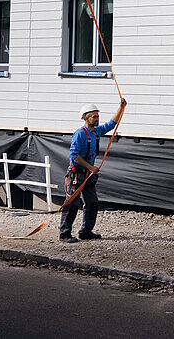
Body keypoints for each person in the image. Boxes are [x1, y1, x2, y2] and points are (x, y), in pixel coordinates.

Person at [60, 99, 125, 243]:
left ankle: (86, 231)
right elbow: (74, 156)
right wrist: (91, 167)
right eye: (94, 116)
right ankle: (64, 233)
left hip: (88, 175)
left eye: (97, 116)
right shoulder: (80, 134)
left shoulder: (96, 132)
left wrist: (121, 107)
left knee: (92, 203)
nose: (97, 119)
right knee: (72, 204)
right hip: (77, 174)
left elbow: (111, 124)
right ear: (85, 118)